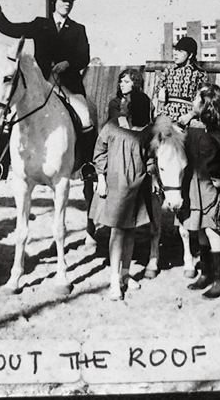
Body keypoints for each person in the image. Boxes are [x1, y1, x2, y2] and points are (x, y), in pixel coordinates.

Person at [0, 0, 94, 180]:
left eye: (70, 1)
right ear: (54, 2)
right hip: (41, 83)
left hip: (68, 85)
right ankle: (1, 163)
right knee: (10, 116)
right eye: (63, 1)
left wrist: (68, 63)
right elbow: (13, 29)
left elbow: (84, 57)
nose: (67, 4)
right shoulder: (40, 24)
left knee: (85, 116)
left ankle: (88, 164)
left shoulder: (78, 29)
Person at [180, 83, 220, 299]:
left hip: (213, 191)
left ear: (205, 104)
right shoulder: (193, 127)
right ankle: (205, 273)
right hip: (195, 188)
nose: (192, 101)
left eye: (196, 98)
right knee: (200, 231)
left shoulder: (218, 131)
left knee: (213, 232)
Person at [92, 92, 153, 300]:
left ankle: (126, 274)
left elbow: (150, 158)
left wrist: (153, 174)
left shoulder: (147, 131)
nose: (122, 102)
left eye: (127, 100)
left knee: (130, 231)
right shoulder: (113, 125)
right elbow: (100, 151)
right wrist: (100, 178)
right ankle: (114, 279)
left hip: (138, 186)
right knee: (117, 232)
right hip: (116, 186)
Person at [154, 36, 210, 124]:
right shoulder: (169, 70)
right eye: (175, 50)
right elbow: (158, 92)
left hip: (188, 115)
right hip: (166, 113)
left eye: (180, 51)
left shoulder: (199, 74)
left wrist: (190, 115)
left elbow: (203, 99)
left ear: (190, 55)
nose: (175, 53)